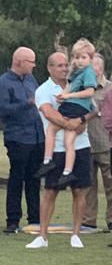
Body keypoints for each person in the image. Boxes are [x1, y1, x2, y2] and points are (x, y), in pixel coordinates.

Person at [26, 52, 91, 250]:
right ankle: (42, 236)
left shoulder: (77, 83)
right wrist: (71, 124)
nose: (64, 69)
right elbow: (49, 112)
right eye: (60, 66)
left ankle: (76, 234)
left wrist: (81, 120)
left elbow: (92, 109)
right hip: (56, 148)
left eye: (66, 65)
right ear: (50, 68)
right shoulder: (43, 90)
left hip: (80, 145)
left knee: (79, 190)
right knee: (50, 191)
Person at [0, 47, 44, 233]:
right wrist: (26, 103)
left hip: (36, 136)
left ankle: (35, 219)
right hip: (18, 137)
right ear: (20, 61)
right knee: (17, 178)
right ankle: (13, 220)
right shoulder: (3, 82)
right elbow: (3, 110)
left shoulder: (31, 80)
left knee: (34, 178)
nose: (34, 65)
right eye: (31, 61)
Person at [37, 41, 95, 188]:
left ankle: (47, 160)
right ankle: (67, 172)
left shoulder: (88, 72)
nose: (79, 61)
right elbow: (50, 111)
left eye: (83, 57)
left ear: (90, 59)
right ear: (49, 68)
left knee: (51, 129)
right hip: (76, 111)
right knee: (69, 142)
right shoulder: (76, 73)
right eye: (76, 57)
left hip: (75, 108)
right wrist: (64, 95)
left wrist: (68, 97)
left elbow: (90, 92)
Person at [83, 53, 112, 231]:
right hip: (86, 143)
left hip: (106, 144)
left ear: (100, 69)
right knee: (88, 186)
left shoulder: (109, 89)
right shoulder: (82, 88)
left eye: (92, 67)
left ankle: (111, 219)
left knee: (110, 184)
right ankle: (88, 220)